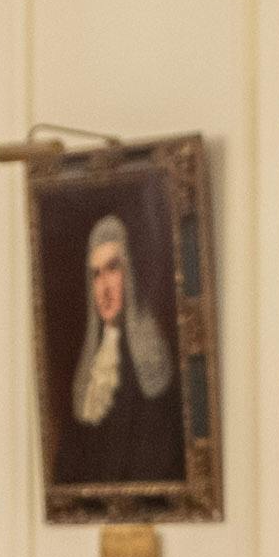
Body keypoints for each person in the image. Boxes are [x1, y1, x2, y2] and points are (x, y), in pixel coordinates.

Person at [50, 206, 186, 499]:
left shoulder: (153, 359)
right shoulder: (89, 369)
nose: (104, 288)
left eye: (113, 268)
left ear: (131, 271)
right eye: (96, 275)